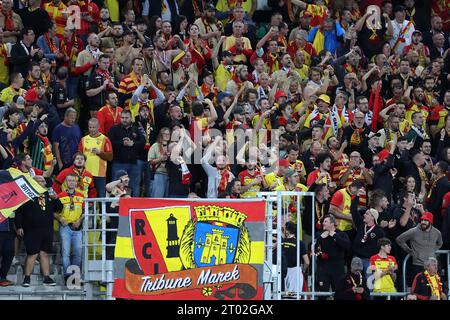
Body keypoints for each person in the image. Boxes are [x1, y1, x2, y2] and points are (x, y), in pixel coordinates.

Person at [15, 175, 63, 287]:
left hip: (47, 228)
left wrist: (56, 198)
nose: (43, 182)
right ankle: (27, 278)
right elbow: (19, 212)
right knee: (32, 253)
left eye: (43, 181)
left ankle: (46, 277)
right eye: (40, 180)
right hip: (31, 229)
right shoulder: (27, 195)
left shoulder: (48, 194)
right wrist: (19, 226)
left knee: (44, 253)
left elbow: (59, 208)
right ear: (33, 182)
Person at [396, 211, 443, 286]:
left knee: (435, 289)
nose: (423, 222)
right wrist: (409, 251)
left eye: (426, 220)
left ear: (430, 222)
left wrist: (432, 250)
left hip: (432, 265)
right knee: (419, 290)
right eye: (422, 220)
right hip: (418, 265)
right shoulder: (414, 231)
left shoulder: (437, 233)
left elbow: (440, 243)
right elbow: (399, 239)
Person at [107, 109, 145, 197]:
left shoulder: (136, 129)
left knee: (134, 187)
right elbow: (109, 143)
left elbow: (143, 143)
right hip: (118, 163)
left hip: (134, 164)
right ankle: (116, 209)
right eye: (122, 117)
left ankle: (134, 208)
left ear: (131, 118)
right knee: (117, 187)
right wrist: (122, 143)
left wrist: (133, 144)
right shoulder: (114, 129)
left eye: (126, 118)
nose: (124, 119)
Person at [55, 173, 85, 283]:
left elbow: (85, 211)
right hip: (65, 226)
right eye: (69, 180)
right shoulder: (60, 196)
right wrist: (60, 219)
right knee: (65, 252)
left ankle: (75, 276)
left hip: (77, 227)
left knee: (78, 252)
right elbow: (54, 212)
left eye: (73, 180)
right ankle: (68, 275)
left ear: (76, 183)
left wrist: (80, 220)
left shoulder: (81, 196)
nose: (71, 182)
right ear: (66, 182)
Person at [315, 215, 351, 297]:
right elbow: (315, 251)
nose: (323, 223)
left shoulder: (341, 234)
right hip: (323, 269)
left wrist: (334, 235)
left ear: (332, 224)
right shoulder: (320, 235)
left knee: (339, 293)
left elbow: (347, 246)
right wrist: (320, 254)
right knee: (322, 294)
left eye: (325, 221)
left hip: (338, 269)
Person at [78, 118, 113, 197]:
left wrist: (100, 153)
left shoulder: (105, 139)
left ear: (98, 127)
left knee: (101, 196)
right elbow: (78, 156)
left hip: (99, 175)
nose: (92, 129)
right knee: (85, 195)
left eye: (94, 127)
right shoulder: (83, 140)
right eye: (90, 127)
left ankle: (102, 210)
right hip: (85, 174)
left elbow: (110, 157)